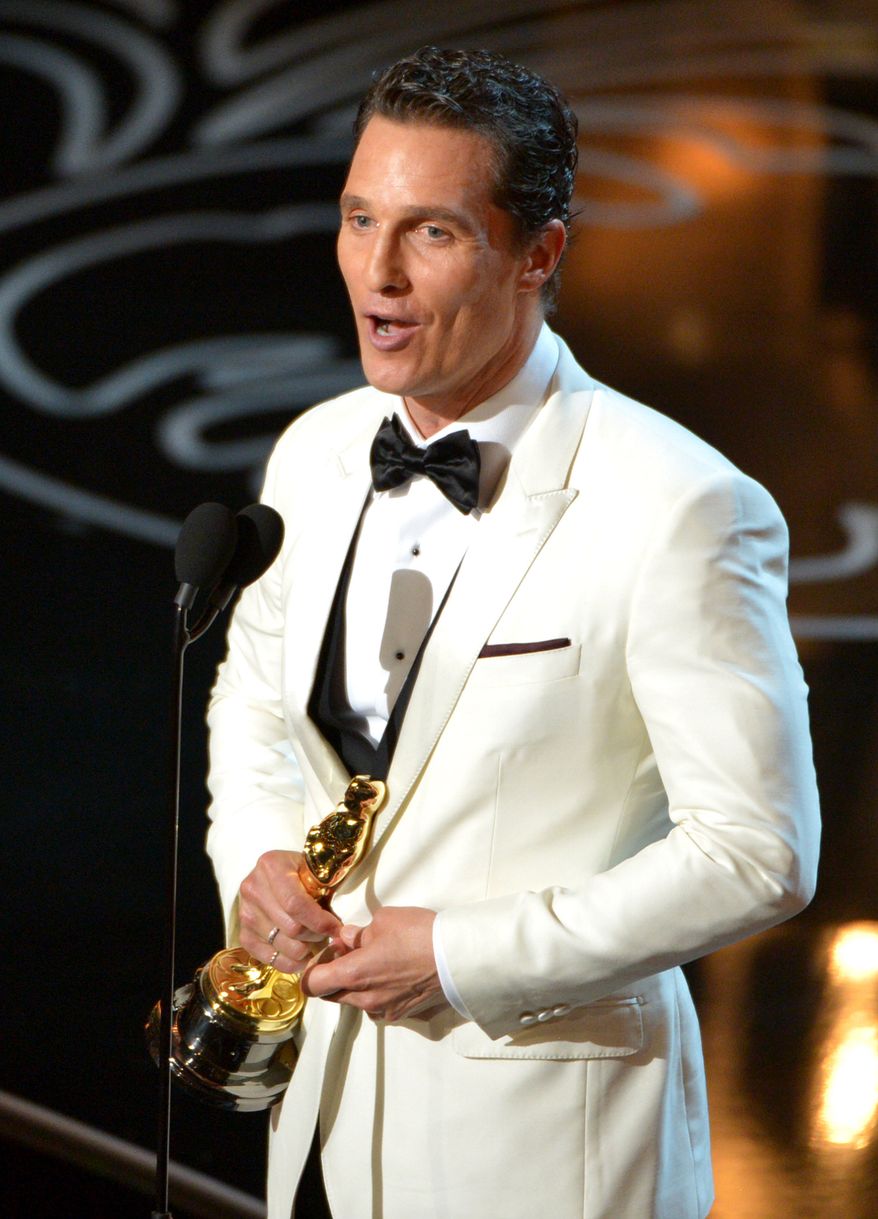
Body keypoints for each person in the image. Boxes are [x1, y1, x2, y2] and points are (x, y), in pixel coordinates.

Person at [205, 46, 820, 1219]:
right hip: (323, 1132)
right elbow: (250, 699)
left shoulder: (676, 502)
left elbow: (759, 852)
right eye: (357, 217)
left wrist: (462, 952)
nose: (375, 272)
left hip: (546, 1149)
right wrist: (259, 863)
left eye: (431, 232)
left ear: (536, 253)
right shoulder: (318, 450)